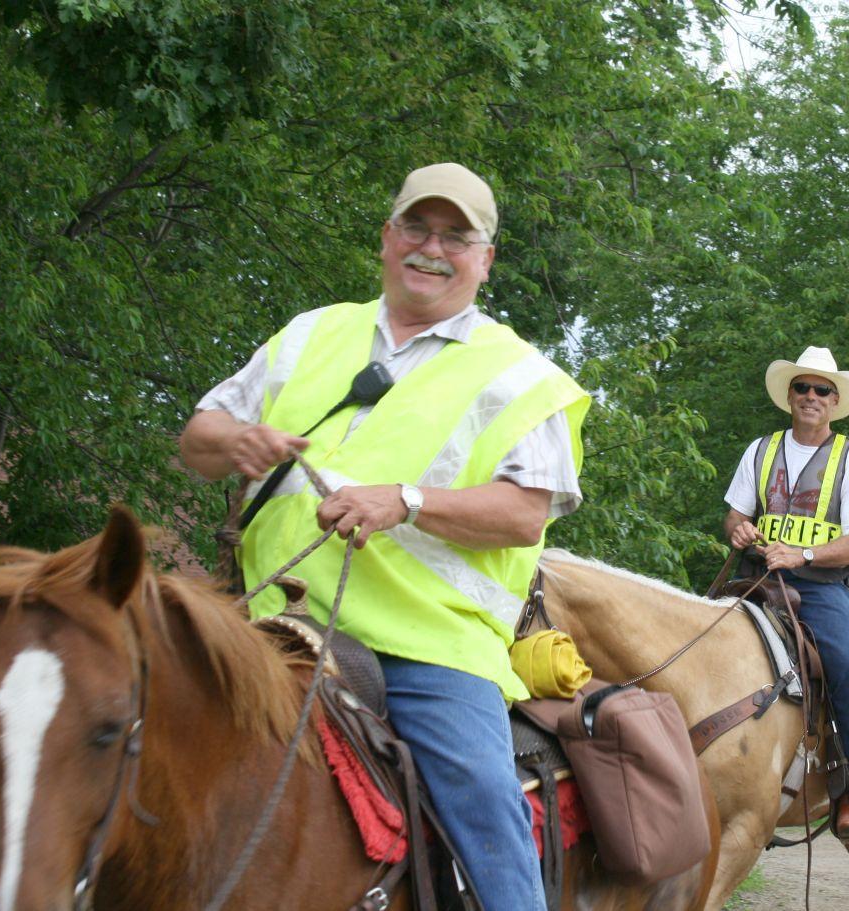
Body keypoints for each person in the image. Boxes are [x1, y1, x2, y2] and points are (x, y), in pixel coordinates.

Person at [179, 162, 589, 911]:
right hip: (266, 620)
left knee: (479, 791)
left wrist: (405, 501)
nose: (432, 248)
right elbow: (198, 436)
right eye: (417, 227)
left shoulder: (520, 375)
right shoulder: (311, 333)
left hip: (425, 647)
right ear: (386, 237)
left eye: (456, 237)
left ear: (485, 258)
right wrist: (235, 441)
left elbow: (525, 512)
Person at [721, 346, 849, 841]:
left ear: (835, 402)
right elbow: (736, 513)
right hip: (755, 578)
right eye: (802, 387)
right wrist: (737, 530)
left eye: (822, 390)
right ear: (789, 395)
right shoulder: (760, 449)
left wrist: (803, 556)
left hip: (818, 589)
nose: (810, 396)